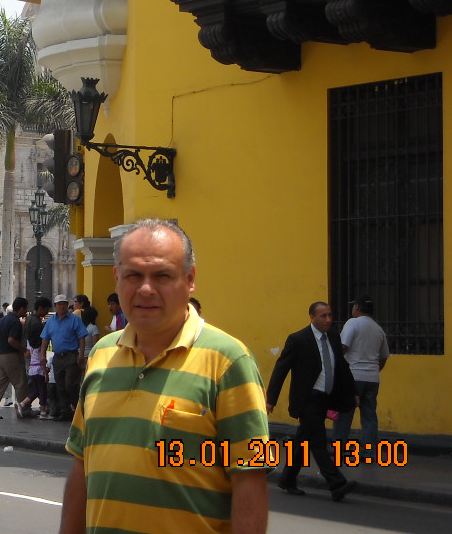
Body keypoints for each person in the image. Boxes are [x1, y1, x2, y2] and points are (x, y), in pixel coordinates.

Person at [59, 218, 269, 534]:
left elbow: (250, 477)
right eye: (133, 275)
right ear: (117, 279)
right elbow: (82, 463)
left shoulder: (230, 361)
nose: (146, 289)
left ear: (190, 279)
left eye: (162, 275)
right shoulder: (102, 354)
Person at [266, 301, 357, 502]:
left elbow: (341, 366)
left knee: (303, 440)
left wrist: (352, 393)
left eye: (330, 315)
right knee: (318, 441)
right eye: (323, 316)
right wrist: (271, 399)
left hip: (325, 397)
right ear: (312, 317)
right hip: (307, 399)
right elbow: (281, 368)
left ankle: (287, 479)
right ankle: (337, 484)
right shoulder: (298, 339)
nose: (328, 320)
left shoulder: (333, 337)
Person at [334, 296, 390, 453]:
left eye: (353, 306)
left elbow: (343, 347)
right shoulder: (378, 329)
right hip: (372, 379)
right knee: (369, 417)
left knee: (344, 414)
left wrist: (336, 368)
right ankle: (368, 453)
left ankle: (339, 449)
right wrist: (373, 370)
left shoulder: (353, 323)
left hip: (352, 377)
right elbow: (384, 356)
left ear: (357, 307)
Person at [39, 294, 88, 420]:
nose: (62, 306)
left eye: (64, 304)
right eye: (59, 304)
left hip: (71, 355)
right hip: (57, 357)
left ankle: (78, 407)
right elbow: (45, 339)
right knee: (60, 385)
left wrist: (81, 354)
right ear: (55, 306)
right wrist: (42, 355)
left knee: (70, 384)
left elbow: (81, 337)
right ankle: (65, 411)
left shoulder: (74, 319)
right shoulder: (50, 321)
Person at [0, 297, 32, 420]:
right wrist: (24, 350)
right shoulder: (15, 322)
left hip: (1, 355)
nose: (26, 311)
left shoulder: (4, 320)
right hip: (12, 355)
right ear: (21, 308)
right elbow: (12, 340)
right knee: (21, 383)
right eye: (25, 309)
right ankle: (24, 410)